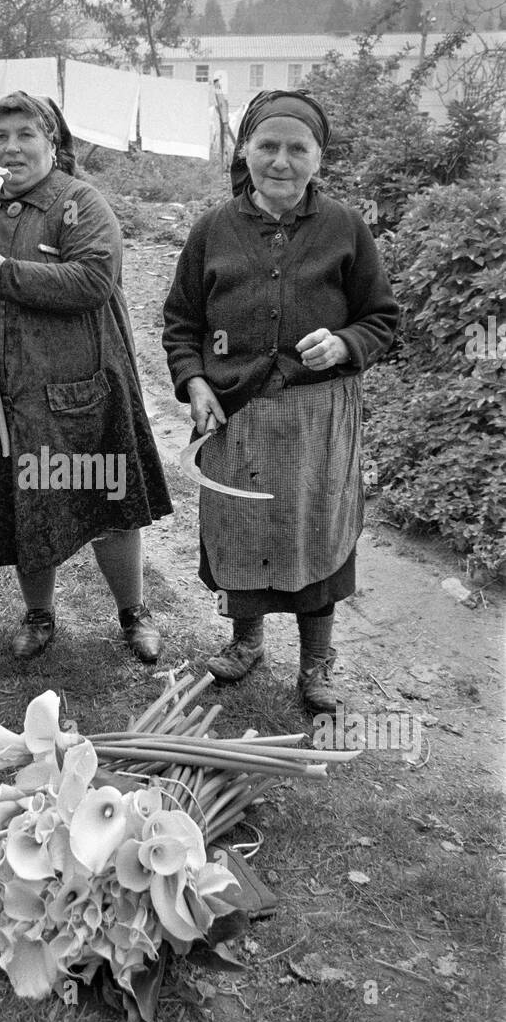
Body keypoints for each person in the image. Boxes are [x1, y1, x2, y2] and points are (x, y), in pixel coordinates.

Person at [162, 89, 398, 711]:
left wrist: (346, 343)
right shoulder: (213, 228)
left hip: (317, 417)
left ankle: (317, 661)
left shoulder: (345, 228)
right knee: (242, 526)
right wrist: (194, 382)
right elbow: (181, 322)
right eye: (268, 146)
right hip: (233, 413)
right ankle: (245, 643)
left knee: (315, 529)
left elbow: (382, 318)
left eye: (299, 148)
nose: (282, 161)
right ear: (245, 150)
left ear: (319, 156)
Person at [0, 91, 172, 662]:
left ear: (51, 143)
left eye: (25, 135)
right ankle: (39, 615)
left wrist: (3, 271)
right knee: (26, 504)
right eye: (0, 136)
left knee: (107, 501)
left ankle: (133, 615)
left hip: (80, 392)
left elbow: (93, 281)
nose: (11, 148)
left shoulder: (78, 203)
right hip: (5, 396)